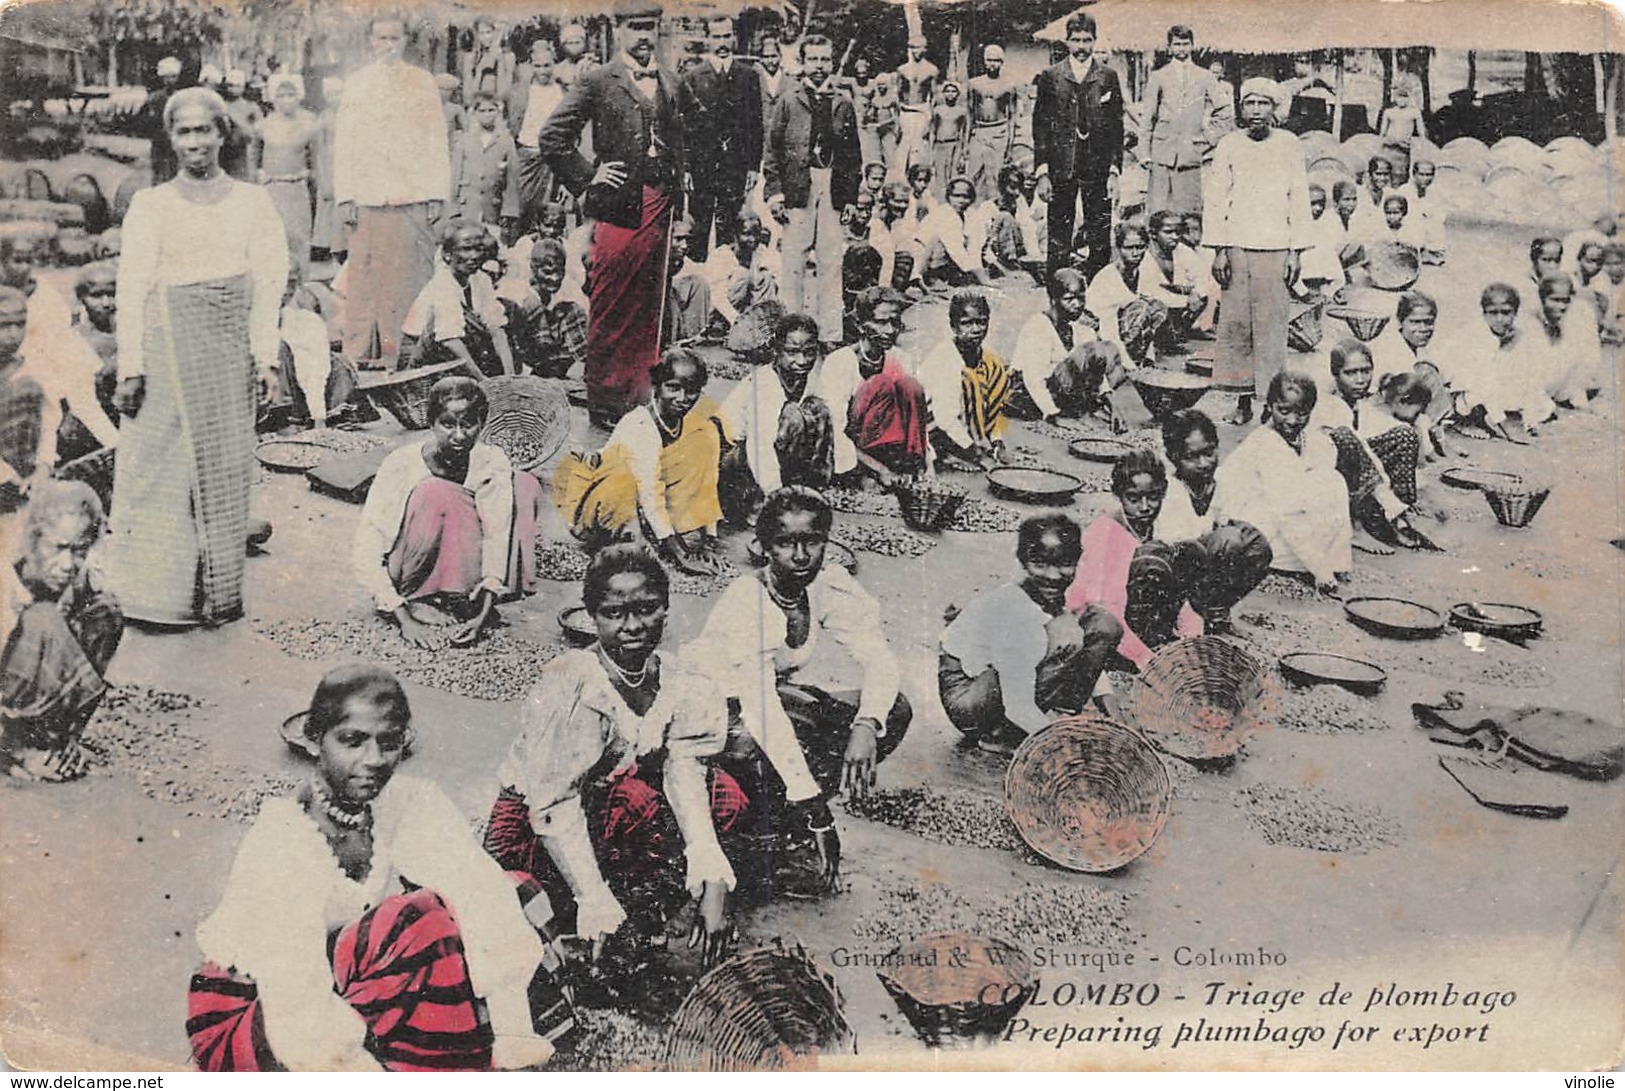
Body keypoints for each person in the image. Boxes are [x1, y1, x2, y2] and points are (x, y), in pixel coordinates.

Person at [187, 665, 560, 1072]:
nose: (374, 760)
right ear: (315, 741)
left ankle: (449, 1039)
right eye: (352, 741)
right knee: (419, 923)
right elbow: (295, 1003)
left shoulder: (404, 802)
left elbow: (478, 887)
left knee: (512, 890)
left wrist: (512, 1031)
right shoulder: (283, 843)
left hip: (340, 980)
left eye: (389, 743)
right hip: (259, 1016)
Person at [484, 544, 740, 967]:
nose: (633, 625)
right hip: (532, 825)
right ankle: (594, 912)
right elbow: (555, 802)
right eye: (614, 613)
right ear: (591, 616)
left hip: (598, 806)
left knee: (722, 796)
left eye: (646, 609)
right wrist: (593, 898)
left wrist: (712, 870)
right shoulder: (576, 685)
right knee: (635, 800)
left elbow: (686, 768)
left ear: (666, 608)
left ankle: (637, 907)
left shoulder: (676, 678)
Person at [109, 88, 288, 629]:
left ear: (222, 134)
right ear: (171, 139)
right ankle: (155, 597)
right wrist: (131, 366)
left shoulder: (253, 202)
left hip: (227, 349)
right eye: (184, 132)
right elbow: (132, 288)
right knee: (160, 469)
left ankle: (217, 595)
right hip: (166, 350)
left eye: (204, 130)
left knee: (224, 468)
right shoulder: (151, 204)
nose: (195, 142)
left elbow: (268, 285)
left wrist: (266, 360)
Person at [687, 486, 911, 893]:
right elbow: (761, 710)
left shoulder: (825, 585)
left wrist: (866, 723)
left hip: (765, 703)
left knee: (891, 709)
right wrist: (819, 811)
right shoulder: (748, 600)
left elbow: (879, 658)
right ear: (763, 547)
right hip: (716, 718)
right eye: (786, 543)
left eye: (811, 541)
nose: (801, 555)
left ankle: (790, 823)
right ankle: (771, 833)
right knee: (767, 737)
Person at [536, 0, 685, 428]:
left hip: (661, 208)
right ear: (618, 31)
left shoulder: (671, 82)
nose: (643, 37)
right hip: (619, 209)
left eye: (649, 28)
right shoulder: (598, 80)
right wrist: (588, 178)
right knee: (611, 301)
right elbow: (553, 137)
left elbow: (686, 149)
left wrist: (686, 211)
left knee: (650, 305)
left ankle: (641, 398)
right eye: (634, 28)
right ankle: (604, 401)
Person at [353, 377, 543, 649]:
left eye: (468, 424)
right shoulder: (401, 464)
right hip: (408, 564)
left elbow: (496, 533)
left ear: (482, 424)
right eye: (447, 424)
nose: (459, 435)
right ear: (431, 423)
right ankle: (422, 597)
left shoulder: (490, 460)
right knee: (437, 492)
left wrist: (485, 608)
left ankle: (464, 598)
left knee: (525, 485)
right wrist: (402, 617)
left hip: (462, 561)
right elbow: (368, 544)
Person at [939, 513, 1123, 755]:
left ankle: (1054, 716)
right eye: (1040, 564)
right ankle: (1002, 735)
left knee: (1101, 623)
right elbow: (1017, 704)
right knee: (1061, 634)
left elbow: (1086, 652)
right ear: (1023, 562)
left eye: (1063, 564)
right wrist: (1060, 746)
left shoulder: (1057, 595)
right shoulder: (1016, 609)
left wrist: (1115, 716)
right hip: (968, 698)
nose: (1053, 575)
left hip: (1000, 684)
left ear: (1077, 561)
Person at [334, 16, 452, 368]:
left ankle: (404, 356)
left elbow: (435, 140)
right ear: (371, 41)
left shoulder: (421, 83)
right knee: (364, 278)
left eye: (394, 38)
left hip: (411, 194)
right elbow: (345, 142)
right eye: (381, 37)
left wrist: (435, 193)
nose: (388, 44)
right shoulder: (357, 84)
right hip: (367, 197)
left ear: (404, 42)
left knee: (410, 277)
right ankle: (357, 357)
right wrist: (345, 196)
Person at [553, 350, 724, 573]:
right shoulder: (640, 425)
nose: (682, 398)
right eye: (673, 387)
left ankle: (660, 534)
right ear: (657, 386)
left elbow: (708, 480)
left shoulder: (695, 424)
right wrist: (682, 555)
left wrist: (709, 538)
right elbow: (649, 492)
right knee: (625, 487)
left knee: (702, 439)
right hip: (608, 505)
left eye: (691, 390)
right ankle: (633, 537)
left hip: (646, 506)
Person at [1203, 77, 1310, 425]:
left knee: (1272, 326)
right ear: (1241, 108)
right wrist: (1219, 249)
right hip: (1236, 246)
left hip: (1276, 246)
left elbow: (1299, 196)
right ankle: (1243, 401)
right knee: (1238, 326)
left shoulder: (1289, 145)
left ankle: (1270, 401)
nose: (1256, 111)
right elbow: (1216, 198)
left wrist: (1296, 252)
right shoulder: (1229, 145)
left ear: (1275, 108)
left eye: (1263, 104)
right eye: (1249, 103)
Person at [0, 481, 122, 783]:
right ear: (33, 540)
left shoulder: (77, 574)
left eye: (79, 550)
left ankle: (53, 740)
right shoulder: (5, 579)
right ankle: (16, 746)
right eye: (58, 548)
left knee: (104, 612)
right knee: (44, 621)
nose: (68, 564)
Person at [1063, 448, 1214, 676]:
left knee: (1188, 552)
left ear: (1163, 491)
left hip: (1133, 611)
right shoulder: (1106, 533)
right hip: (1095, 622)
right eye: (1133, 499)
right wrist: (1147, 661)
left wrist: (1192, 641)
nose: (1144, 507)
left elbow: (1183, 591)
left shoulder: (1157, 523)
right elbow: (1104, 609)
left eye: (1153, 497)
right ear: (1119, 495)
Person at [1214, 371, 1350, 595]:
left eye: (1302, 413)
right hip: (1248, 522)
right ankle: (1298, 563)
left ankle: (1330, 559)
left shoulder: (1307, 437)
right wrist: (1320, 569)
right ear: (1269, 406)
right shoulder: (1266, 443)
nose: (1292, 421)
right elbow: (1287, 512)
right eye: (1283, 411)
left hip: (1276, 508)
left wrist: (1338, 560)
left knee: (1334, 481)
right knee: (1298, 506)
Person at [765, 35, 862, 348]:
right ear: (803, 63)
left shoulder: (843, 103)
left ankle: (830, 334)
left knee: (831, 263)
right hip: (798, 187)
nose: (819, 67)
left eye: (825, 60)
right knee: (793, 262)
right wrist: (776, 193)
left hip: (831, 185)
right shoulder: (789, 101)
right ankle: (791, 334)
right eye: (813, 60)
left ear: (832, 62)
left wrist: (849, 198)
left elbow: (852, 156)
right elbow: (772, 150)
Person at [1, 230, 119, 470]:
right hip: (11, 359)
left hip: (47, 356)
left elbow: (60, 334)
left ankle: (114, 444)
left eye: (29, 260)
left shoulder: (46, 294)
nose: (24, 267)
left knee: (79, 390)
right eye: (17, 260)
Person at [1152, 409, 1273, 629]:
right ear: (1174, 457)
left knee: (1257, 544)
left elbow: (1227, 521)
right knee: (1228, 540)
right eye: (1191, 457)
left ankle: (1215, 612)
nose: (1203, 463)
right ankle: (1187, 615)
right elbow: (1172, 547)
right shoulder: (1171, 491)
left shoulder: (1219, 484)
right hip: (1175, 571)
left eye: (1209, 452)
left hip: (1203, 567)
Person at [1317, 339, 1434, 553]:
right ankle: (1356, 528)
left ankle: (1398, 516)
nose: (1360, 380)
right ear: (1336, 374)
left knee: (1405, 434)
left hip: (1356, 465)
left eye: (1365, 371)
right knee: (1346, 440)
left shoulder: (1360, 401)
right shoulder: (1328, 403)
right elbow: (1358, 447)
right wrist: (1385, 494)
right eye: (1351, 373)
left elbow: (1381, 431)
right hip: (1323, 473)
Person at [1032, 12, 1125, 279]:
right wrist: (1042, 172)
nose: (1081, 47)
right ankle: (1058, 291)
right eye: (1076, 40)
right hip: (1062, 166)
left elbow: (1116, 128)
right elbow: (1040, 126)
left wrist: (1114, 172)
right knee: (1059, 233)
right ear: (1067, 41)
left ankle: (1097, 292)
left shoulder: (1107, 76)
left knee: (1099, 234)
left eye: (1087, 40)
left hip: (1097, 167)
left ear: (1095, 41)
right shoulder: (1051, 76)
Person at [717, 312, 834, 515]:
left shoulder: (811, 380)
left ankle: (806, 489)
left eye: (809, 352)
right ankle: (763, 500)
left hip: (764, 455)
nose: (802, 360)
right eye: (792, 352)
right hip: (734, 459)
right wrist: (776, 495)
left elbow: (825, 428)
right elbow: (759, 447)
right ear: (777, 350)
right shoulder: (765, 383)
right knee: (793, 415)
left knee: (819, 410)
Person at [817, 287, 929, 484]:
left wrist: (928, 466)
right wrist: (879, 470)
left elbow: (916, 419)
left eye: (894, 322)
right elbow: (834, 429)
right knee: (880, 383)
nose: (889, 330)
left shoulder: (901, 358)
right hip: (858, 449)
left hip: (895, 447)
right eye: (880, 322)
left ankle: (911, 466)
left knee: (910, 385)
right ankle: (865, 473)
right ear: (860, 325)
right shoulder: (840, 362)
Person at [680, 16, 763, 263]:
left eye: (727, 35)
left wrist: (752, 166)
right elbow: (684, 127)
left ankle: (729, 283)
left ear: (734, 37)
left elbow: (755, 125)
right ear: (707, 39)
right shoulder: (693, 76)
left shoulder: (748, 76)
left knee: (732, 224)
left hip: (734, 164)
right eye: (717, 36)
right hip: (701, 164)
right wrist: (685, 167)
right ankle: (697, 278)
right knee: (699, 224)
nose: (723, 42)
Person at [399, 221, 515, 378]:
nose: (474, 256)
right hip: (419, 357)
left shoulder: (481, 280)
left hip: (451, 353)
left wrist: (510, 376)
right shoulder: (444, 283)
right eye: (466, 249)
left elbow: (496, 329)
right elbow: (450, 340)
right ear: (447, 255)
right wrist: (483, 380)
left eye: (478, 249)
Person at [915, 289, 1012, 468]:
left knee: (995, 369)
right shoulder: (946, 358)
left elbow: (992, 407)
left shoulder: (988, 359)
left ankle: (974, 442)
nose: (975, 330)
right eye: (967, 324)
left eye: (981, 322)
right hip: (931, 424)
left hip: (959, 421)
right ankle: (958, 450)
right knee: (968, 380)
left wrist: (997, 443)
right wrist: (978, 455)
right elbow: (945, 418)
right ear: (954, 327)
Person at [1008, 266, 1120, 421]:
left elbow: (1098, 373)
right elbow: (1033, 378)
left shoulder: (1081, 329)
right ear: (1053, 299)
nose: (1077, 304)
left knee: (1104, 350)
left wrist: (1113, 407)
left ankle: (1087, 406)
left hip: (1061, 391)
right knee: (1093, 350)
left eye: (1081, 298)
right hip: (1031, 394)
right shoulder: (1038, 326)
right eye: (1069, 299)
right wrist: (1051, 413)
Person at [1140, 25, 1222, 218]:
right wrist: (1144, 152)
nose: (1182, 49)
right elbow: (1148, 117)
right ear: (1169, 47)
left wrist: (1209, 139)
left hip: (1190, 154)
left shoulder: (1205, 76)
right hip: (1161, 153)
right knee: (1158, 213)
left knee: (1190, 214)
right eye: (1177, 44)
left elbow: (1225, 110)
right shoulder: (1158, 77)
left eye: (1185, 44)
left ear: (1192, 46)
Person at [257, 75, 319, 278]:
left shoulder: (309, 122)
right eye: (281, 95)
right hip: (272, 187)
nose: (286, 100)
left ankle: (301, 286)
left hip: (296, 187)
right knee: (272, 237)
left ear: (299, 95)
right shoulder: (264, 125)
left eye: (290, 94)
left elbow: (316, 157)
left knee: (299, 238)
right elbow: (255, 156)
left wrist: (309, 174)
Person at [1086, 220, 1171, 366]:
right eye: (1129, 248)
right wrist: (1129, 366)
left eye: (1140, 247)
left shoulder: (1144, 271)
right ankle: (1122, 363)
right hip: (1097, 334)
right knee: (1140, 308)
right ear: (1118, 249)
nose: (1135, 253)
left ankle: (1140, 358)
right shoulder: (1107, 278)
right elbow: (1108, 331)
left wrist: (1149, 359)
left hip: (1123, 330)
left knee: (1157, 307)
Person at [506, 238, 588, 378]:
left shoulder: (563, 292)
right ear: (533, 268)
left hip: (554, 360)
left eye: (559, 272)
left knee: (573, 310)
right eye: (547, 272)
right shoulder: (525, 297)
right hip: (530, 363)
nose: (555, 278)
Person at [1526, 271, 1602, 411]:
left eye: (1565, 300)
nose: (1561, 306)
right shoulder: (1530, 320)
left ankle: (1573, 392)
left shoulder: (1572, 318)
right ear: (1543, 299)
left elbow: (1586, 355)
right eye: (1555, 300)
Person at [450, 92, 521, 235]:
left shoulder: (506, 141)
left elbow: (512, 179)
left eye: (491, 110)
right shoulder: (464, 140)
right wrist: (454, 208)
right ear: (475, 113)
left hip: (493, 206)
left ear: (497, 111)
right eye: (482, 111)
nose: (487, 114)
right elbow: (454, 176)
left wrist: (509, 211)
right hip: (468, 205)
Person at [1141, 209, 1210, 344]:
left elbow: (1202, 277)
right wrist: (1185, 299)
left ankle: (1178, 333)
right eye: (1168, 232)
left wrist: (1196, 293)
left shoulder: (1183, 251)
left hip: (1177, 303)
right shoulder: (1143, 256)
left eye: (1178, 232)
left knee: (1202, 297)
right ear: (1153, 234)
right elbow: (1148, 292)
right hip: (1155, 306)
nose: (1174, 237)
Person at [964, 45, 1019, 202]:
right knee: (974, 172)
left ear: (1002, 62)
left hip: (999, 131)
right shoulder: (974, 84)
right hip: (980, 130)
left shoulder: (1009, 85)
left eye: (996, 60)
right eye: (989, 60)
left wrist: (1010, 145)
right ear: (984, 61)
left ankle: (995, 208)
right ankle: (974, 209)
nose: (992, 64)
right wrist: (965, 144)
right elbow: (969, 114)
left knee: (997, 174)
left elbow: (1013, 117)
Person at [916, 177, 987, 286]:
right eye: (956, 196)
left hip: (949, 260)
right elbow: (956, 251)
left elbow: (975, 247)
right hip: (924, 259)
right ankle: (932, 279)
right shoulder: (945, 213)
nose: (961, 201)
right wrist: (983, 279)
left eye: (966, 197)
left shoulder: (970, 214)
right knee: (938, 240)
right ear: (948, 196)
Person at [894, 35, 939, 179]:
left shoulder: (931, 70)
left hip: (921, 112)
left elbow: (934, 97)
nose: (916, 51)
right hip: (906, 111)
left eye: (919, 47)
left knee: (918, 148)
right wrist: (898, 116)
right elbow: (898, 94)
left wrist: (929, 118)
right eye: (913, 47)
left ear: (925, 49)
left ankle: (918, 180)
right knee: (903, 147)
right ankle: (901, 180)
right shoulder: (903, 70)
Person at [311, 77, 347, 260]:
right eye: (331, 94)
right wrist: (322, 177)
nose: (335, 98)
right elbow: (318, 149)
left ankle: (342, 245)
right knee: (328, 202)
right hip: (328, 162)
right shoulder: (323, 118)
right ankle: (326, 246)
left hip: (346, 162)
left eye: (338, 93)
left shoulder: (350, 115)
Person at [845, 60, 899, 172]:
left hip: (882, 126)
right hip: (860, 119)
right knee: (866, 150)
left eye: (864, 73)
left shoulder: (874, 85)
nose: (861, 76)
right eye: (859, 73)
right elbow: (836, 81)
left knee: (887, 153)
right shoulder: (853, 83)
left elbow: (893, 116)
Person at [140, 56, 184, 184]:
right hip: (159, 144)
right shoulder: (154, 98)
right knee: (159, 175)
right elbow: (145, 122)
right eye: (167, 77)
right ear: (162, 78)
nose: (170, 81)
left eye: (173, 77)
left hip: (177, 143)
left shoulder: (181, 97)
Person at [1395, 159, 1445, 264]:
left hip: (1427, 232)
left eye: (1429, 175)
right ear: (1414, 174)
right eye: (1421, 174)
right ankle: (1418, 252)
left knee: (1435, 223)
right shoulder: (1404, 191)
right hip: (1408, 231)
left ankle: (1429, 251)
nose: (1425, 178)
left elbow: (1440, 216)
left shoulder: (1436, 193)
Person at [924, 82, 968, 199]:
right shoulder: (938, 110)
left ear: (958, 94)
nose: (950, 94)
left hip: (955, 145)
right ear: (943, 94)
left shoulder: (962, 111)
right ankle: (940, 202)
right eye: (947, 91)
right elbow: (933, 131)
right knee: (940, 176)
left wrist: (963, 154)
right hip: (940, 145)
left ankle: (952, 200)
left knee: (953, 174)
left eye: (953, 91)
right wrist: (931, 151)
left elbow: (963, 132)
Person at [1378, 83, 1428, 181]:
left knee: (1401, 174)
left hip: (1404, 148)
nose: (1402, 100)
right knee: (1386, 172)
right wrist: (1380, 147)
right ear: (1395, 98)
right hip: (1389, 147)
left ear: (1409, 98)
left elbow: (1421, 132)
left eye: (1405, 97)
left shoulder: (1414, 112)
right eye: (1399, 97)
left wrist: (1421, 148)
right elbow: (1382, 133)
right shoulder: (1389, 112)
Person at [220, 70, 262, 182]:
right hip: (226, 153)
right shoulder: (220, 106)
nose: (232, 88)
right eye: (229, 85)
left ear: (243, 87)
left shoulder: (251, 107)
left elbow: (260, 131)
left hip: (247, 153)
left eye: (236, 85)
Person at [461, 16, 515, 105]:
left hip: (498, 107)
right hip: (476, 106)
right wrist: (479, 71)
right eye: (481, 33)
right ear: (477, 35)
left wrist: (500, 62)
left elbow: (504, 95)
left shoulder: (508, 57)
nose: (485, 37)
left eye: (488, 32)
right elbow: (467, 96)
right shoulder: (471, 57)